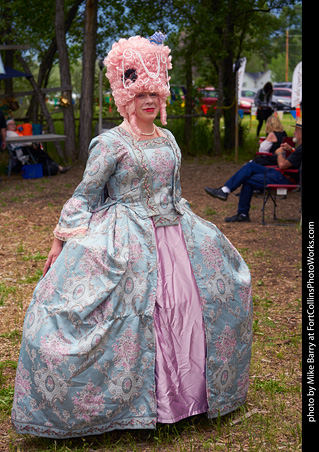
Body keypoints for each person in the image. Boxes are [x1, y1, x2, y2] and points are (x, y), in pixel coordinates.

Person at [11, 33, 252, 439]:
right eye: (141, 95)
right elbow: (85, 194)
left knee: (188, 307)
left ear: (162, 96)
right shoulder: (110, 144)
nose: (150, 103)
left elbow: (174, 193)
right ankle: (138, 404)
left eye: (155, 95)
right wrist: (61, 239)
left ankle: (188, 399)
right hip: (127, 238)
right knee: (134, 315)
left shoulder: (169, 139)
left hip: (176, 234)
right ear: (126, 98)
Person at [204, 118, 302, 223]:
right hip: (282, 174)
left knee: (248, 179)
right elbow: (295, 158)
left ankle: (240, 211)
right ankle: (226, 192)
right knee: (251, 166)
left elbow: (282, 165)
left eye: (297, 130)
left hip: (284, 178)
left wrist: (279, 153)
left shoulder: (301, 149)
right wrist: (291, 149)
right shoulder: (299, 148)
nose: (294, 133)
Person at [6, 118, 71, 175]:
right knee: (40, 152)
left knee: (40, 152)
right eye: (11, 124)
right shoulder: (9, 133)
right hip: (20, 150)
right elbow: (21, 142)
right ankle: (59, 167)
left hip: (25, 147)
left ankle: (55, 167)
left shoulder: (17, 132)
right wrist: (31, 144)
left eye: (14, 124)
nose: (13, 125)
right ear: (7, 126)